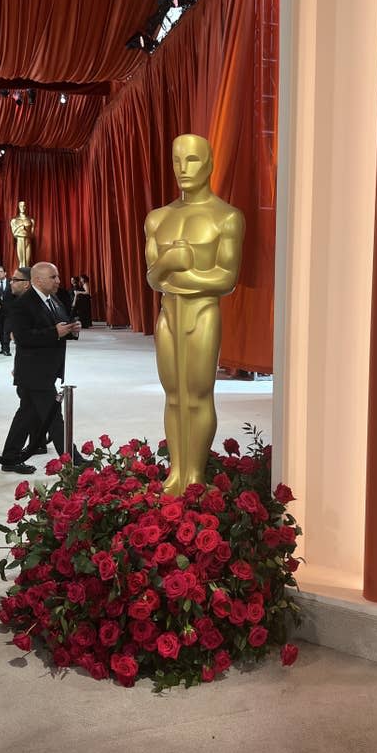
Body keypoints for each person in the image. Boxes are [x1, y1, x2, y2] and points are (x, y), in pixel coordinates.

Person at [144, 133, 245, 497]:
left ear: (210, 163)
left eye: (193, 160)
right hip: (168, 313)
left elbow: (226, 278)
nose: (183, 169)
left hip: (203, 312)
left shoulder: (227, 217)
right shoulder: (158, 218)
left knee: (199, 394)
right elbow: (153, 277)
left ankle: (195, 475)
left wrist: (178, 273)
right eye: (177, 160)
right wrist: (171, 261)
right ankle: (177, 471)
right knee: (173, 395)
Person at [0, 262, 81, 474]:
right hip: (34, 371)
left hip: (45, 368)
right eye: (53, 277)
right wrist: (55, 332)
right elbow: (24, 338)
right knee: (54, 417)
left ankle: (9, 456)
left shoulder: (52, 299)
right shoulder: (23, 304)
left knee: (26, 414)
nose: (58, 281)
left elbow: (60, 325)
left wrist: (72, 329)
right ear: (37, 280)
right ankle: (72, 459)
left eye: (57, 276)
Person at [0, 266, 13, 355]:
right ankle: (3, 347)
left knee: (7, 330)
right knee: (0, 330)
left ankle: (6, 348)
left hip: (9, 311)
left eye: (0, 271)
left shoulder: (11, 283)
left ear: (5, 273)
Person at [10, 201, 35, 267]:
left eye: (24, 206)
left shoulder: (31, 220)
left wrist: (24, 230)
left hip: (28, 241)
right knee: (21, 262)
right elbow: (14, 234)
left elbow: (32, 234)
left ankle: (27, 276)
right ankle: (21, 276)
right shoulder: (14, 220)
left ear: (25, 207)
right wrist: (21, 229)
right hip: (20, 240)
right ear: (18, 207)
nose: (22, 207)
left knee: (27, 262)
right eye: (21, 206)